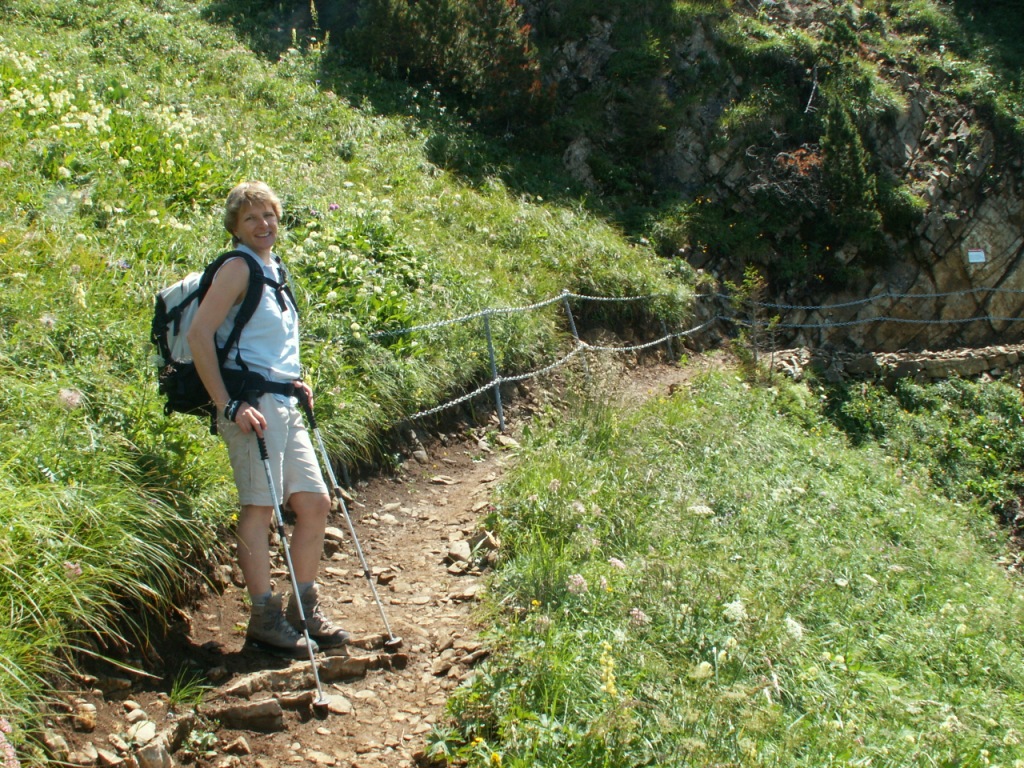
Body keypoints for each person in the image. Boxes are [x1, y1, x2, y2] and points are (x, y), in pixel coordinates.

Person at [187, 181, 349, 658]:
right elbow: (200, 335)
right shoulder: (238, 267)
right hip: (250, 407)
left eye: (270, 215)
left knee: (315, 503)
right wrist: (227, 405)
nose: (264, 225)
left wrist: (296, 381)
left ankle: (303, 607)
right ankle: (264, 617)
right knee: (260, 509)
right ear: (235, 228)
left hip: (284, 402)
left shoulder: (273, 269)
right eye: (252, 218)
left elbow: (270, 345)